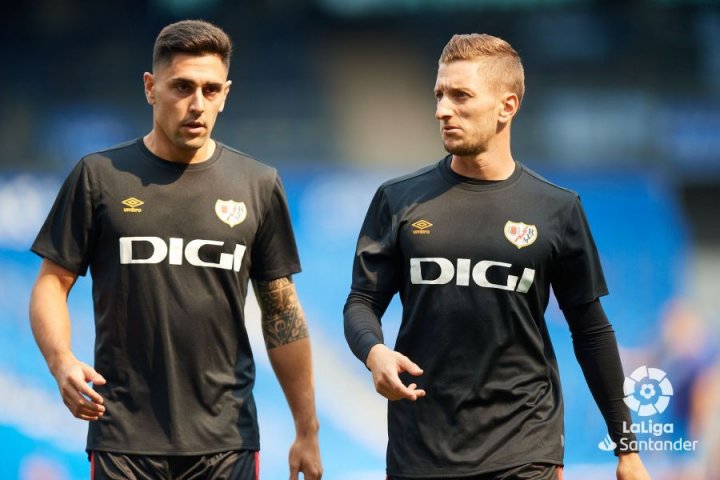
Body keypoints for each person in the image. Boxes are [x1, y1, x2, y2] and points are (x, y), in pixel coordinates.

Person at [344, 33, 651, 480]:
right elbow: (361, 303)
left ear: (507, 106)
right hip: (421, 450)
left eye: (461, 96)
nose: (442, 110)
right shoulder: (398, 200)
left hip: (524, 448)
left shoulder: (557, 209)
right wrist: (374, 352)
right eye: (439, 95)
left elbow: (590, 328)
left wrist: (627, 450)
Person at [29, 19, 322, 480]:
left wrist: (308, 429)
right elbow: (52, 282)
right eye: (182, 87)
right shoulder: (99, 176)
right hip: (123, 436)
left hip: (227, 440)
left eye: (210, 90)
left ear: (226, 93)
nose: (197, 105)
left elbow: (282, 312)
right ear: (150, 87)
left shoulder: (259, 184)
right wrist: (60, 361)